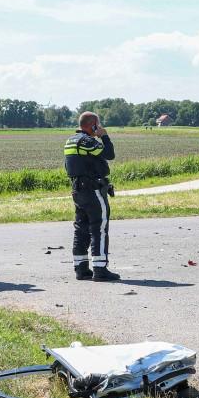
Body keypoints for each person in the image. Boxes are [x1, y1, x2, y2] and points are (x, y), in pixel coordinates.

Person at [65, 111, 119, 281]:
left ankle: (81, 269)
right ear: (93, 124)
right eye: (98, 124)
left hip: (78, 190)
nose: (100, 127)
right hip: (92, 190)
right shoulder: (87, 141)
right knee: (99, 228)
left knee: (81, 229)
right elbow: (109, 154)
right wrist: (104, 136)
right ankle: (100, 270)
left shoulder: (70, 140)